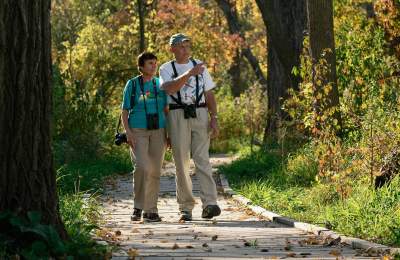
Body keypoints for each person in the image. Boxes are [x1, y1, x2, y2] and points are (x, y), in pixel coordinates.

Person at [159, 33, 221, 221]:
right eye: (181, 46)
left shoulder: (200, 65)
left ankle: (210, 203)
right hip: (177, 115)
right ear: (172, 49)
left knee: (202, 159)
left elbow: (208, 93)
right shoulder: (166, 68)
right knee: (181, 161)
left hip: (200, 113)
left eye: (188, 45)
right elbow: (168, 88)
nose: (186, 49)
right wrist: (188, 74)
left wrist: (214, 117)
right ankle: (185, 208)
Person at [121, 52, 167, 222]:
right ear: (141, 67)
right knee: (142, 167)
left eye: (155, 63)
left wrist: (168, 134)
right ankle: (137, 207)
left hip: (159, 130)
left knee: (154, 170)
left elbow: (166, 110)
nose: (154, 66)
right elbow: (124, 111)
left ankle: (151, 210)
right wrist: (128, 132)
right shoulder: (132, 85)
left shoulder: (161, 84)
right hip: (137, 130)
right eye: (150, 63)